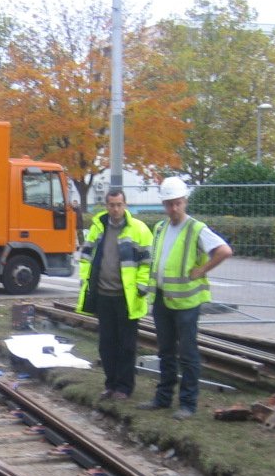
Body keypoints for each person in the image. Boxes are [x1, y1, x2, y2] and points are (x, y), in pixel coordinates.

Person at [138, 177, 232, 420]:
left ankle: (188, 403)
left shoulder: (196, 228)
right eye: (169, 204)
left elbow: (224, 251)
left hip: (187, 302)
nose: (173, 209)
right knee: (165, 351)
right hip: (162, 298)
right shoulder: (160, 227)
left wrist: (202, 270)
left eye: (177, 203)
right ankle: (163, 398)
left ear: (185, 202)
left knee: (188, 353)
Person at [77, 189, 152, 400]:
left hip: (126, 297)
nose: (115, 209)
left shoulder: (138, 229)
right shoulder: (98, 227)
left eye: (119, 204)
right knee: (106, 344)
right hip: (103, 295)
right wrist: (86, 281)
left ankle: (124, 387)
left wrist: (141, 286)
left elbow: (147, 262)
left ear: (125, 205)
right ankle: (110, 384)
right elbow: (86, 256)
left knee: (127, 346)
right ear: (106, 206)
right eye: (111, 205)